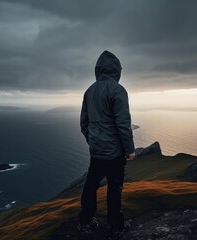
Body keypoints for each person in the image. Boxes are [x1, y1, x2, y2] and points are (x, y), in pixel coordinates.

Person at [78, 50, 135, 239]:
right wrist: (129, 149)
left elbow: (84, 124)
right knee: (114, 187)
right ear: (117, 70)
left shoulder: (89, 91)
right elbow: (123, 124)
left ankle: (85, 221)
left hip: (97, 151)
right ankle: (116, 226)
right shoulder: (118, 90)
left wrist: (92, 140)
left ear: (98, 70)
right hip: (115, 152)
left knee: (91, 184)